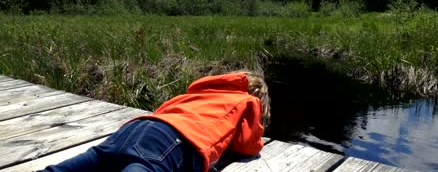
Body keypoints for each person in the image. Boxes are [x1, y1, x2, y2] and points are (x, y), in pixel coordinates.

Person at [39, 71, 271, 172]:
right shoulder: (247, 101)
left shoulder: (196, 93)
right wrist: (257, 143)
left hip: (136, 128)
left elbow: (162, 111)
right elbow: (245, 142)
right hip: (171, 143)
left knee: (94, 160)